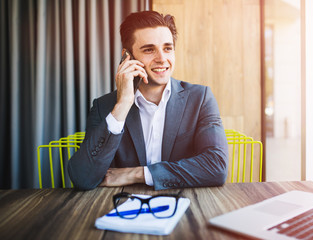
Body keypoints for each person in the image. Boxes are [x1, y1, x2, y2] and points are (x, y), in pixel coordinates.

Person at [68, 10, 228, 190]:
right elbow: (82, 178)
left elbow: (217, 167)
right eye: (149, 49)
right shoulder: (104, 106)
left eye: (167, 48)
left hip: (186, 203)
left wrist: (137, 174)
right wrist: (123, 104)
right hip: (122, 207)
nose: (162, 59)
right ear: (127, 56)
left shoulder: (200, 98)